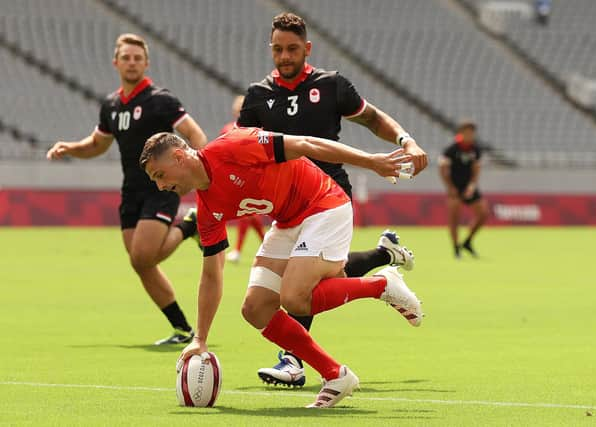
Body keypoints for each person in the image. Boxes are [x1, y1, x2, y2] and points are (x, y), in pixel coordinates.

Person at [139, 128, 424, 408]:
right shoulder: (206, 210)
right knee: (255, 308)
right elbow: (212, 274)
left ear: (179, 157)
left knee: (295, 298)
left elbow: (305, 142)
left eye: (159, 175)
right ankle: (336, 376)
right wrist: (200, 339)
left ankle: (383, 284)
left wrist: (371, 161)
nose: (160, 186)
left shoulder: (232, 147)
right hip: (288, 221)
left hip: (323, 204)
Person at [237, 12, 429, 386]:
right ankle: (383, 258)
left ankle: (293, 360)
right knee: (326, 281)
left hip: (330, 198)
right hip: (289, 205)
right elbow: (242, 150)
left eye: (292, 49)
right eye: (277, 49)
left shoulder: (331, 85)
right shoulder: (258, 96)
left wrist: (407, 140)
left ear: (307, 48)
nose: (284, 56)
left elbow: (372, 118)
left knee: (298, 287)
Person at [46, 33, 208, 345]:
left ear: (146, 63)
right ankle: (182, 329)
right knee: (140, 263)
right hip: (130, 191)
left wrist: (202, 168)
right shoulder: (110, 105)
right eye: (126, 57)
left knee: (144, 256)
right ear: (116, 63)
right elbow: (96, 145)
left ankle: (190, 225)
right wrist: (70, 148)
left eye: (137, 58)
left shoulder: (162, 100)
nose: (131, 62)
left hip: (161, 187)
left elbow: (193, 133)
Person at [218, 95, 266, 263]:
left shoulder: (257, 130)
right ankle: (265, 244)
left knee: (249, 213)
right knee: (249, 214)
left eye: (242, 106)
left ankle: (239, 251)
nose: (239, 109)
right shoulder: (227, 129)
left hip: (253, 177)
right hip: (235, 178)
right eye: (237, 106)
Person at [438, 121, 489, 258]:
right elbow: (443, 169)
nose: (470, 135)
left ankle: (467, 241)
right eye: (467, 132)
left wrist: (472, 186)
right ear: (461, 132)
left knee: (483, 214)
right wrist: (450, 187)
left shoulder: (475, 149)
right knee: (454, 218)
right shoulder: (452, 149)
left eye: (472, 132)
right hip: (455, 188)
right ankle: (456, 248)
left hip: (468, 187)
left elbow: (476, 169)